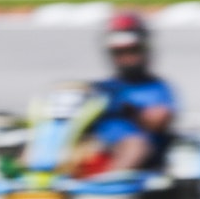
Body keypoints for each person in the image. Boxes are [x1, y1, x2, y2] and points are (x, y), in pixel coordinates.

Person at [68, 12, 179, 176]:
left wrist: (130, 109)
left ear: (144, 50)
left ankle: (110, 180)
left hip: (134, 143)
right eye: (120, 53)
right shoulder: (102, 87)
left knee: (135, 145)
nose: (127, 58)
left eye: (132, 51)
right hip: (96, 140)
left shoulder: (156, 87)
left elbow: (160, 120)